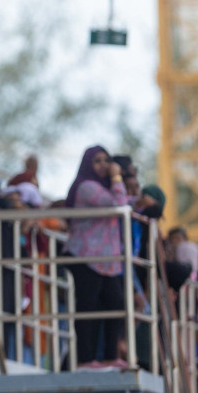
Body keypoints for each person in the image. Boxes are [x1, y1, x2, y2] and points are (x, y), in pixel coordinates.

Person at [64, 145, 130, 366]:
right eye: (97, 161)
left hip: (107, 261)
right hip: (85, 256)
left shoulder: (106, 188)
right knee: (87, 308)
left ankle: (110, 356)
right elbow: (118, 205)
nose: (103, 165)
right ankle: (85, 359)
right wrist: (117, 176)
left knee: (115, 303)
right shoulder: (87, 187)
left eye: (106, 160)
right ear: (88, 165)